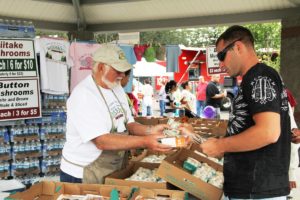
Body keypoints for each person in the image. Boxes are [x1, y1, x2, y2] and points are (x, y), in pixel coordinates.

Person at [199, 25, 291, 199]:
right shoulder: (256, 77)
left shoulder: (259, 77)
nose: (220, 63)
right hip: (252, 188)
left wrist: (220, 146)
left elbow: (268, 132)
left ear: (238, 47)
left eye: (221, 55)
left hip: (256, 190)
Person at [60, 44, 172, 184]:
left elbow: (128, 123)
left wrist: (150, 131)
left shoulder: (116, 88)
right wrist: (145, 141)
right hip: (83, 173)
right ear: (101, 67)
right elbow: (102, 141)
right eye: (118, 70)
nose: (122, 75)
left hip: (112, 168)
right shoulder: (84, 95)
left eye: (124, 71)